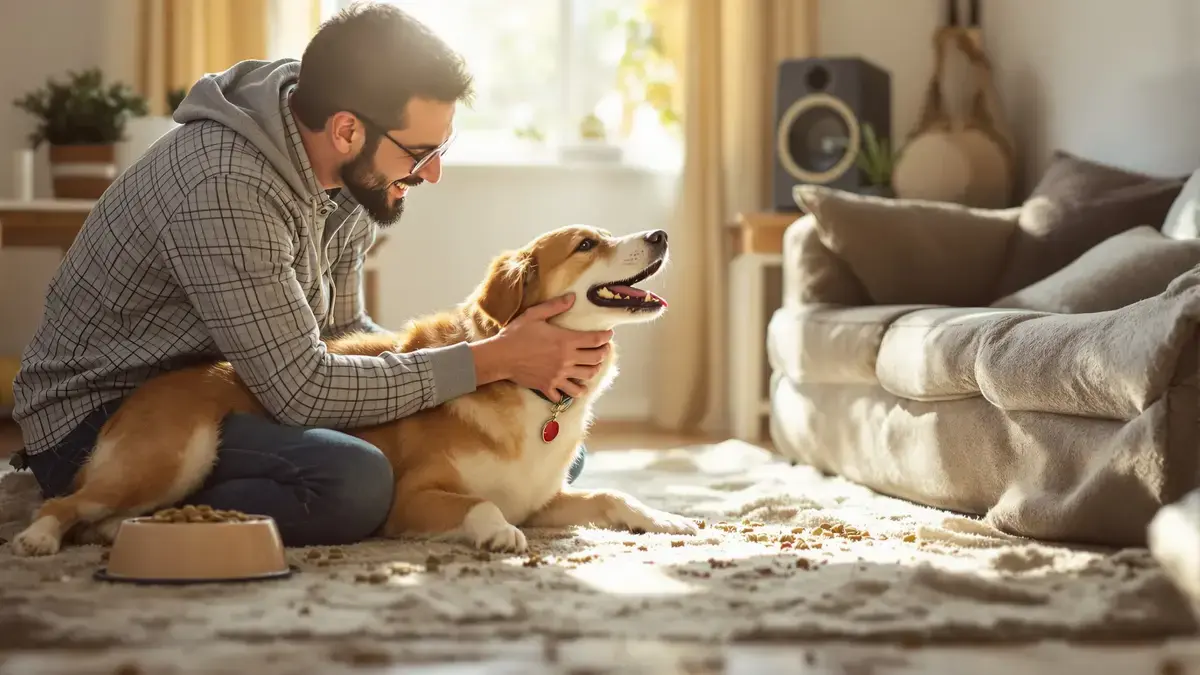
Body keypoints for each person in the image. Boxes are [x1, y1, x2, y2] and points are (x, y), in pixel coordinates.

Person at [8, 3, 610, 547]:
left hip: (239, 394)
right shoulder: (226, 186)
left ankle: (421, 493)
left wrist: (486, 374)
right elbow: (302, 390)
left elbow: (343, 334)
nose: (431, 175)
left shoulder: (346, 179)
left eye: (441, 150)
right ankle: (114, 511)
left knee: (538, 454)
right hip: (106, 426)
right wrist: (491, 362)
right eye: (420, 153)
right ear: (347, 129)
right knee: (353, 482)